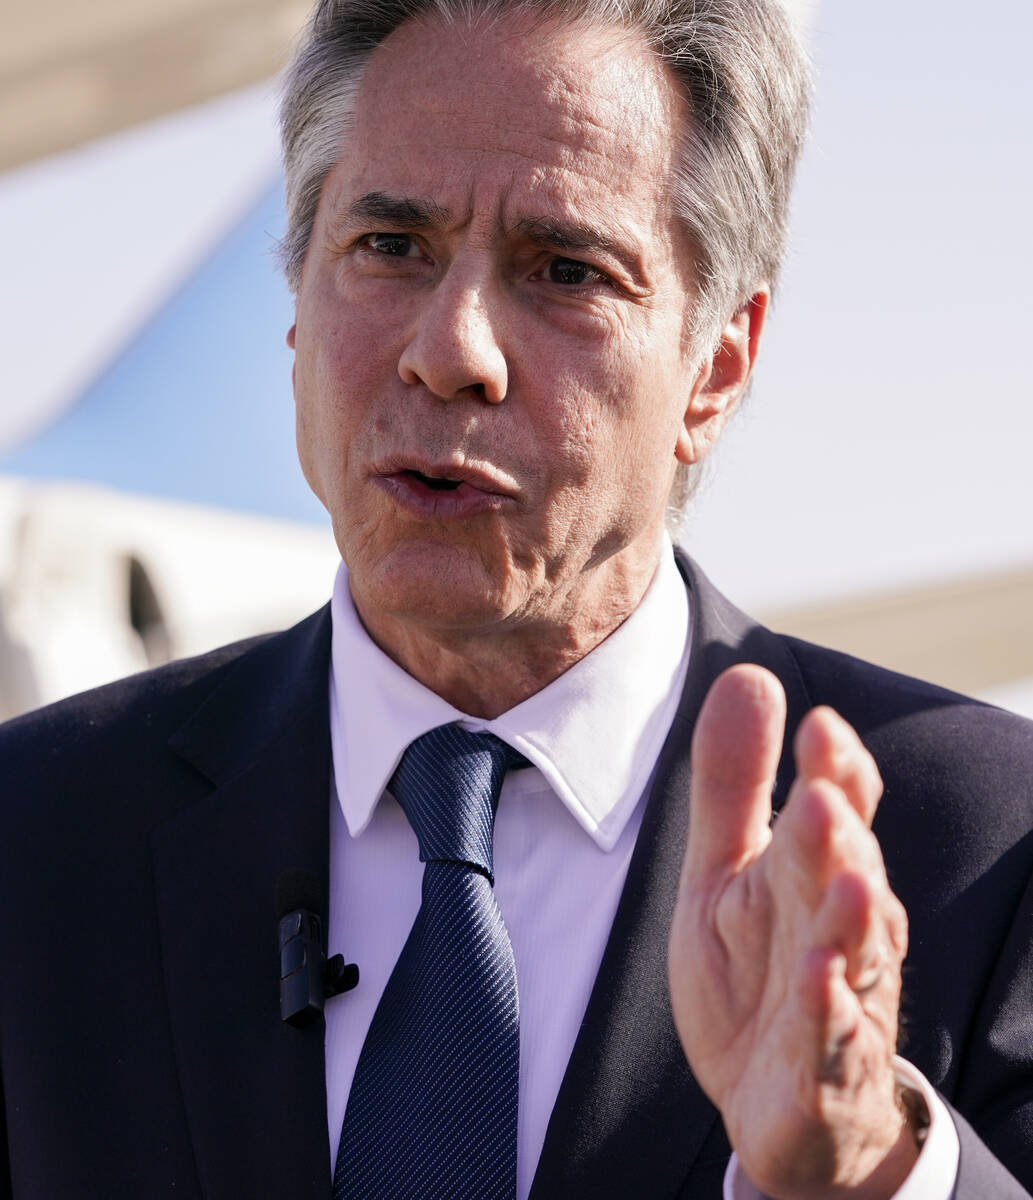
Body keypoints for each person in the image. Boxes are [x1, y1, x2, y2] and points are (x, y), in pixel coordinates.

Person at [1, 0, 1032, 1196]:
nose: (452, 352)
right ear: (295, 306)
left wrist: (870, 1166)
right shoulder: (35, 844)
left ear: (718, 366)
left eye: (564, 271)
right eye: (390, 248)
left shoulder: (987, 854)